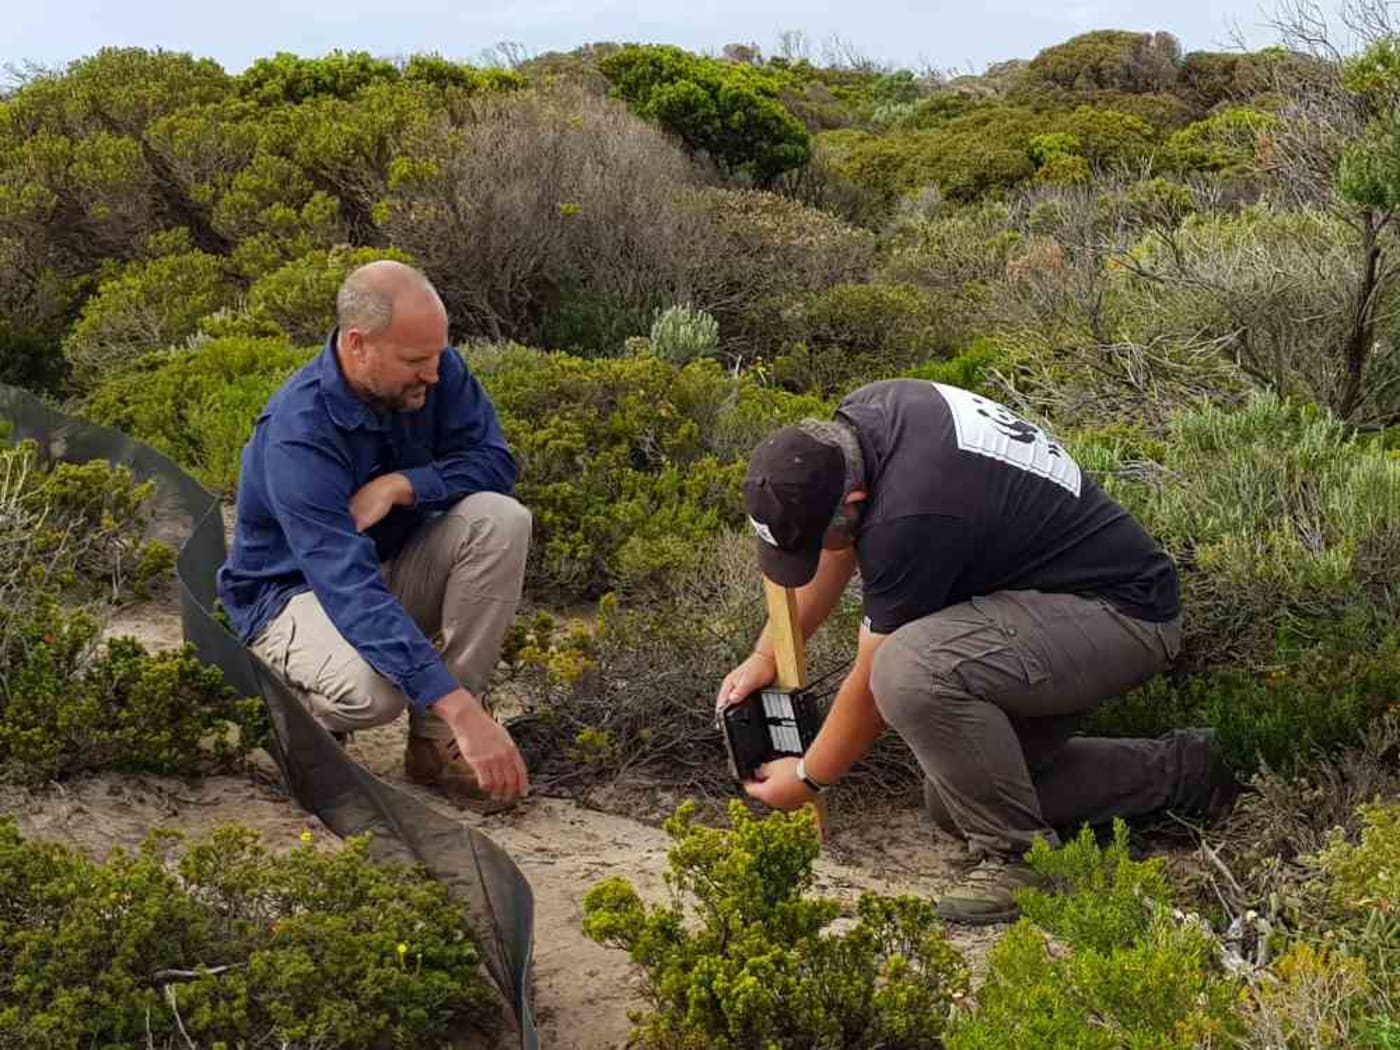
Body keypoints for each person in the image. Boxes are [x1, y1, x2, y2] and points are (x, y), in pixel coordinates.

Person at [716, 378, 1239, 925]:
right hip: (1048, 604)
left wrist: (807, 778)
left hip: (1118, 617)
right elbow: (837, 550)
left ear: (853, 501)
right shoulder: (860, 427)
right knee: (958, 801)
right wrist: (768, 655)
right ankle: (1188, 771)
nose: (816, 552)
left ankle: (1018, 859)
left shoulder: (911, 513)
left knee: (910, 669)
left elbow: (873, 683)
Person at [218, 260, 531, 810]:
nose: (433, 375)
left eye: (437, 355)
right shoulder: (300, 434)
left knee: (501, 519)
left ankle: (435, 747)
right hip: (292, 596)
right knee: (375, 692)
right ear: (359, 345)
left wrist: (401, 485)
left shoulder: (436, 370)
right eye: (415, 361)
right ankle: (288, 705)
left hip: (386, 568)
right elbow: (348, 588)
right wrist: (464, 709)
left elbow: (495, 462)